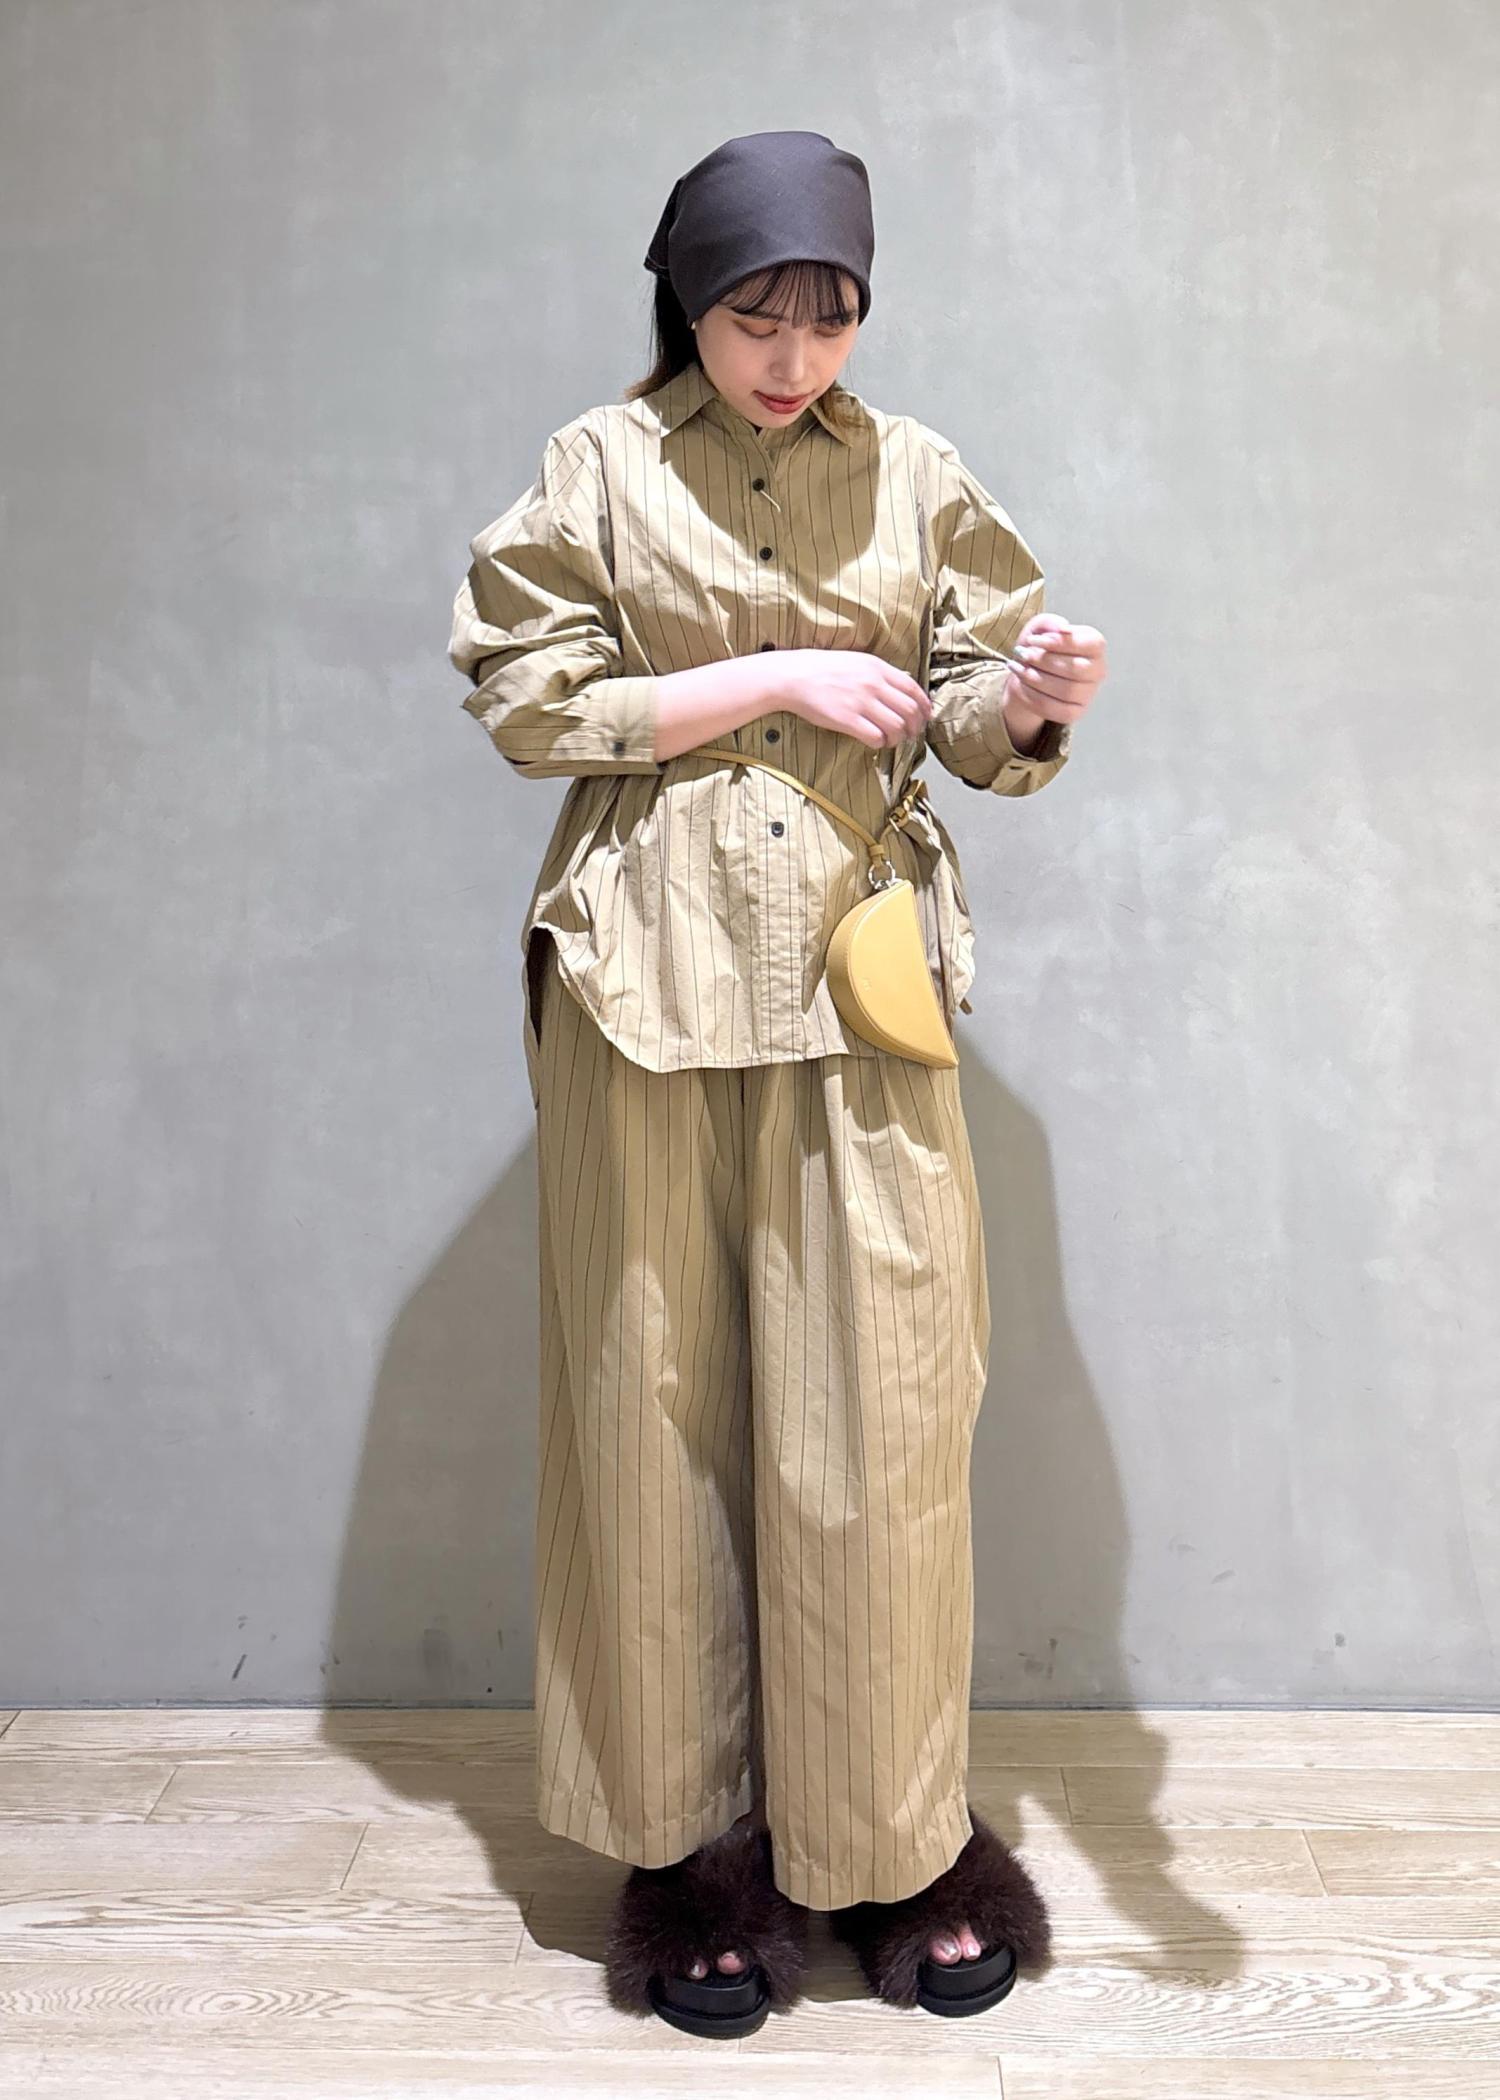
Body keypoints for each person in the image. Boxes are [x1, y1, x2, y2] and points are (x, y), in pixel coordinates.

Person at [447, 129, 1109, 2038]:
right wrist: (777, 678)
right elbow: (523, 694)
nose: (793, 358)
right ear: (691, 305)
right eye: (757, 318)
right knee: (647, 1424)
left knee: (880, 1425)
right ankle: (689, 1859)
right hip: (640, 989)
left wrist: (1032, 698)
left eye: (830, 319)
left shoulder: (919, 476)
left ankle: (894, 1844)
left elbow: (968, 713)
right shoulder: (598, 466)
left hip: (855, 992)